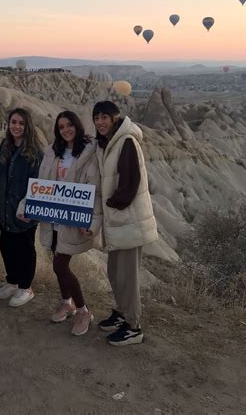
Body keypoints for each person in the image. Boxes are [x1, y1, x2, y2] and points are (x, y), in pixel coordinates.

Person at [19, 111, 102, 336]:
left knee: (60, 265)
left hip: (72, 220)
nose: (66, 130)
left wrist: (93, 223)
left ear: (77, 125)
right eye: (61, 126)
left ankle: (84, 310)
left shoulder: (89, 152)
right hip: (52, 216)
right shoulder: (52, 151)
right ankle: (67, 302)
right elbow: (41, 184)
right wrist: (25, 206)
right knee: (56, 262)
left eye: (69, 125)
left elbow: (94, 192)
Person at [93, 101, 158, 346]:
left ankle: (133, 326)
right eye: (96, 118)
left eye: (104, 117)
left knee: (127, 276)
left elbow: (130, 183)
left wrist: (113, 202)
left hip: (127, 220)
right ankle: (122, 312)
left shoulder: (126, 142)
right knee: (115, 273)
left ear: (115, 118)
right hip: (118, 221)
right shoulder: (108, 142)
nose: (100, 122)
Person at [0, 108, 43, 307]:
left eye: (21, 123)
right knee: (6, 246)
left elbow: (39, 183)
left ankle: (26, 287)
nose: (16, 126)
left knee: (25, 249)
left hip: (23, 211)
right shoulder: (5, 145)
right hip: (4, 208)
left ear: (27, 126)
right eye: (13, 122)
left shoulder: (34, 152)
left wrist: (29, 207)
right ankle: (12, 281)